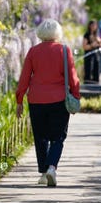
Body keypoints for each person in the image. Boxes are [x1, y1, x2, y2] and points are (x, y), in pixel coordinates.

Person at [16, 18, 81, 187]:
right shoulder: (64, 50)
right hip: (59, 99)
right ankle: (52, 167)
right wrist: (76, 96)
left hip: (36, 99)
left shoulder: (33, 51)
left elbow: (24, 78)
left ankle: (44, 173)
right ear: (57, 33)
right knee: (58, 137)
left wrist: (19, 99)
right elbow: (73, 78)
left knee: (41, 136)